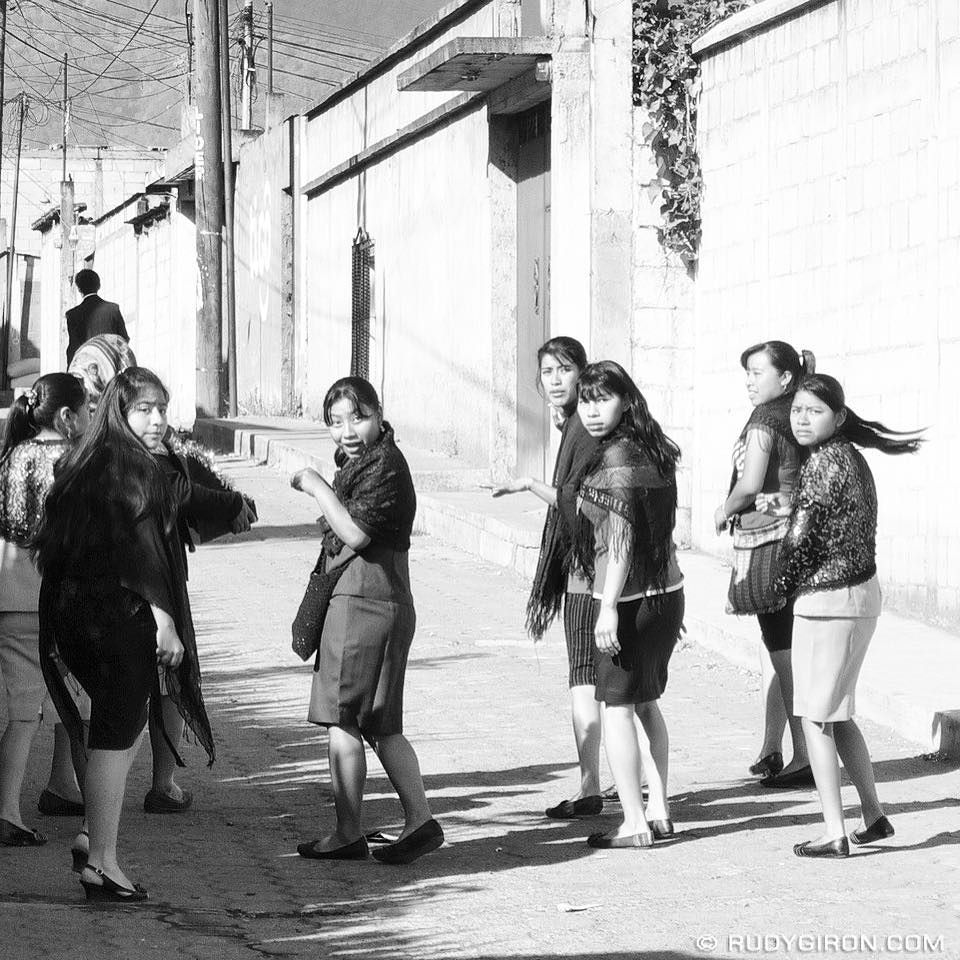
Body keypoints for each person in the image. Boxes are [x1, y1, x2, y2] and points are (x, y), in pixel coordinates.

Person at [34, 368, 215, 901]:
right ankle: (103, 862)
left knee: (113, 733)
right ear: (119, 411)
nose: (157, 420)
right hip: (115, 617)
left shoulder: (88, 458)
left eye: (162, 407)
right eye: (144, 409)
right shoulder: (133, 468)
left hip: (74, 612)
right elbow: (145, 558)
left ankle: (95, 838)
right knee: (117, 738)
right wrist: (164, 622)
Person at [291, 376, 442, 865]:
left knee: (343, 720)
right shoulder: (373, 463)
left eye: (357, 417)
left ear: (379, 414)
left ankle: (347, 833)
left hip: (363, 603)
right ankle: (419, 821)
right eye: (335, 422)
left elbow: (354, 533)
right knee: (379, 724)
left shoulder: (384, 468)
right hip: (382, 600)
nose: (347, 431)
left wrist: (315, 485)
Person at [774, 374, 922, 858]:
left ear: (837, 417)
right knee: (837, 714)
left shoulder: (823, 462)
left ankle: (834, 830)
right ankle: (874, 816)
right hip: (859, 596)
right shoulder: (852, 457)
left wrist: (778, 585)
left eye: (813, 411)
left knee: (815, 719)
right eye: (797, 409)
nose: (801, 418)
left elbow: (801, 538)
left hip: (828, 602)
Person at [491, 336, 617, 818]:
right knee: (622, 689)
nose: (556, 380)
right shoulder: (580, 426)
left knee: (587, 676)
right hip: (598, 569)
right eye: (547, 372)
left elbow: (580, 505)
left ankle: (591, 787)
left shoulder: (585, 429)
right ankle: (633, 784)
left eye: (566, 369)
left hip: (591, 570)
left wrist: (529, 484)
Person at [572, 361, 685, 850]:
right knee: (646, 704)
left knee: (616, 707)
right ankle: (659, 810)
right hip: (666, 593)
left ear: (626, 401)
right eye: (585, 400)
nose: (592, 410)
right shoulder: (652, 450)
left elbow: (619, 539)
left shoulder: (615, 460)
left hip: (628, 598)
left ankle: (634, 822)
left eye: (602, 399)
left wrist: (607, 608)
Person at [714, 341, 813, 788]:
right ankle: (774, 746)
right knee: (777, 646)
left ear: (785, 377)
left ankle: (804, 753)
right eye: (747, 373)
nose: (750, 382)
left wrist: (724, 508)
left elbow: (751, 484)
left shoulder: (765, 420)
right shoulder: (801, 414)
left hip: (769, 545)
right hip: (797, 539)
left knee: (782, 649)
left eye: (757, 372)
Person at [0, 374, 90, 846]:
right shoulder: (72, 460)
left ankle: (34, 797)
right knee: (58, 710)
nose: (93, 419)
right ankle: (88, 821)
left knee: (28, 710)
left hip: (9, 594)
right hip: (48, 600)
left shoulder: (12, 453)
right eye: (88, 410)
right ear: (67, 417)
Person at [65, 269, 129, 365]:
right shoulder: (113, 309)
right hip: (111, 366)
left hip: (87, 369)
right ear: (99, 285)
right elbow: (124, 339)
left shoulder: (72, 314)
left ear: (79, 289)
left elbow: (73, 348)